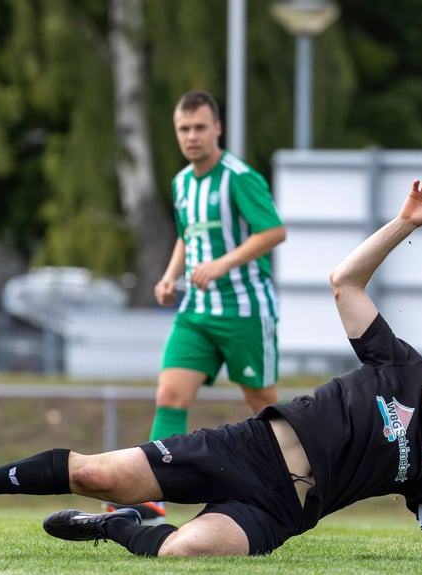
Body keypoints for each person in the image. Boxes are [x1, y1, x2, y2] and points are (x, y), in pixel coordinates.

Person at [0, 177, 422, 561]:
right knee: (95, 473)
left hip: (281, 508)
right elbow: (344, 281)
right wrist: (404, 224)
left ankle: (116, 526)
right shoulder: (398, 362)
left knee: (181, 554)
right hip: (246, 447)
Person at [110, 90, 286, 523]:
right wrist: (170, 276)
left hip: (245, 311)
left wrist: (223, 264)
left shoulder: (239, 177)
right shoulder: (182, 182)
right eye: (184, 129)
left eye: (200, 127)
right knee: (170, 394)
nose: (191, 136)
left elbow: (273, 232)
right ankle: (151, 496)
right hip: (198, 313)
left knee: (263, 405)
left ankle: (293, 487)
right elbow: (188, 236)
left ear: (217, 128)